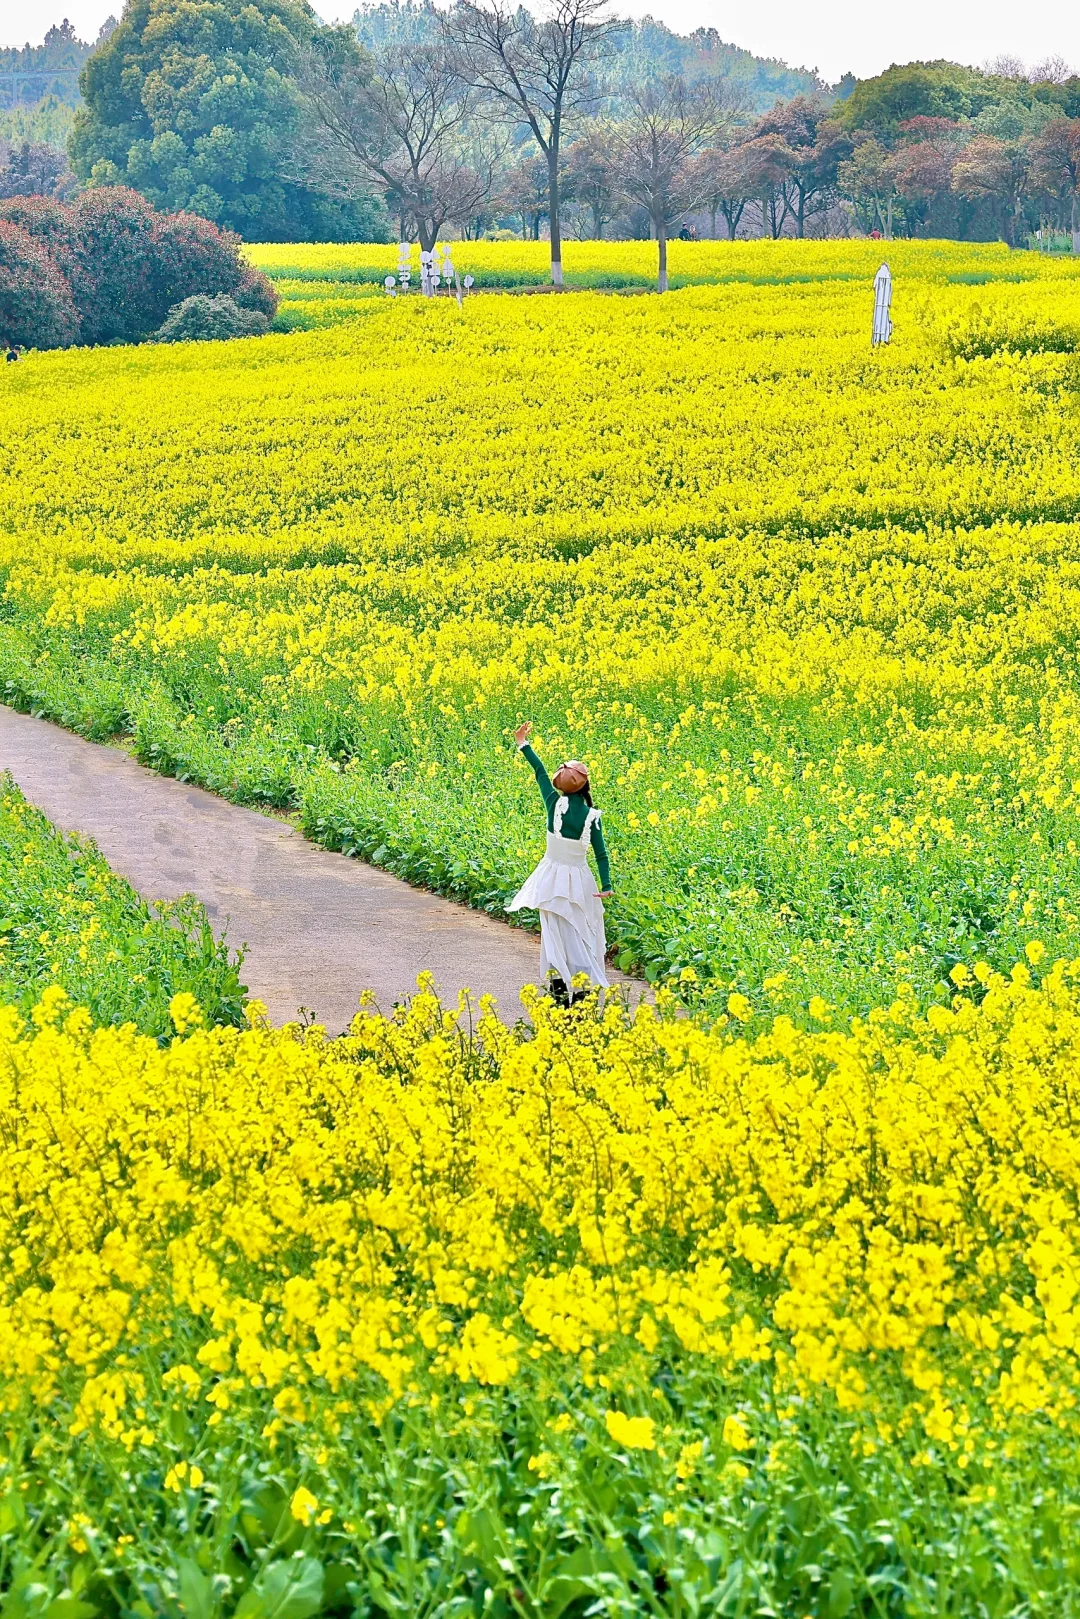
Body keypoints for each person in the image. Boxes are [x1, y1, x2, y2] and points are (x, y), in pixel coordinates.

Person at [508, 720, 612, 1005]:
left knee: (554, 938)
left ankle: (559, 996)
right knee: (580, 935)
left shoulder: (553, 803)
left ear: (559, 785)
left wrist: (523, 743)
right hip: (580, 884)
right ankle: (581, 998)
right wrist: (606, 885)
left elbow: (539, 771)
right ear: (585, 785)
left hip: (550, 881)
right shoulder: (592, 817)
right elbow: (601, 854)